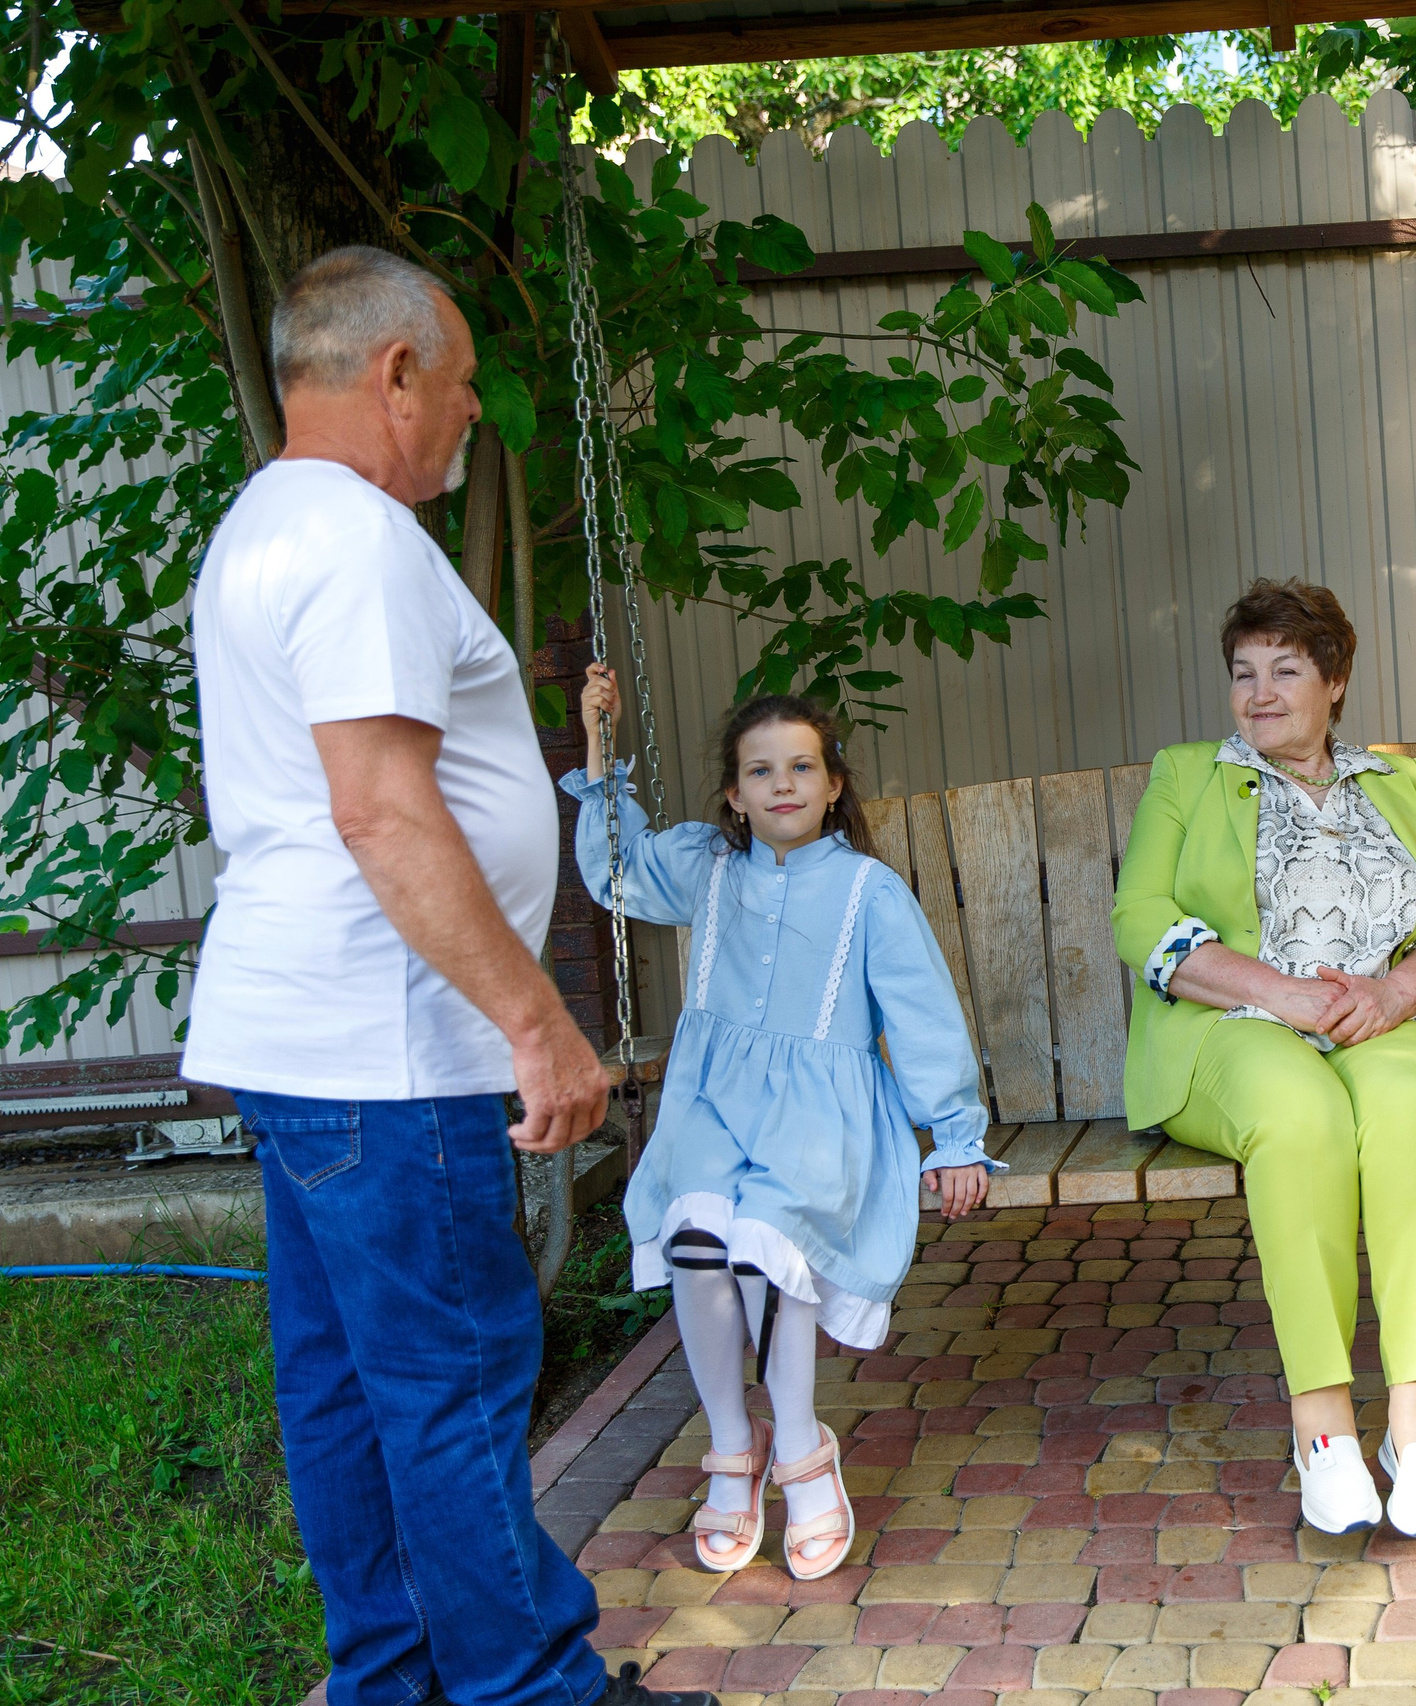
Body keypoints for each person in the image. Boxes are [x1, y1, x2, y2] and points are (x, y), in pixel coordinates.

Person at [184, 247, 706, 1705]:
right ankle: (534, 1688)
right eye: (464, 380)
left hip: (304, 1042)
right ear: (395, 372)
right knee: (452, 1383)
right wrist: (540, 1025)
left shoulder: (265, 523)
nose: (477, 411)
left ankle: (393, 1679)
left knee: (348, 1388)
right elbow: (383, 811)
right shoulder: (353, 541)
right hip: (388, 1045)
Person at [565, 666, 997, 1579]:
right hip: (713, 1103)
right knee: (694, 1233)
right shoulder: (710, 873)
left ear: (834, 784)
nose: (783, 785)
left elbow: (920, 1018)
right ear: (734, 793)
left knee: (769, 1238)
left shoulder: (868, 892)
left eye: (802, 767)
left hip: (820, 1115)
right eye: (761, 772)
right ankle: (732, 1444)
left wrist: (954, 1134)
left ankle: (800, 1444)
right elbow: (617, 869)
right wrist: (599, 748)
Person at [1111, 579, 1416, 1538]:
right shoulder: (1189, 774)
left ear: (1336, 679)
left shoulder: (1396, 782)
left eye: (1286, 669)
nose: (1261, 692)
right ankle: (1321, 1423)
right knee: (1302, 1116)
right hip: (1233, 1029)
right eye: (1244, 674)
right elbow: (1141, 918)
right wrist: (1275, 992)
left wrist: (1395, 994)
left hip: (1376, 1017)